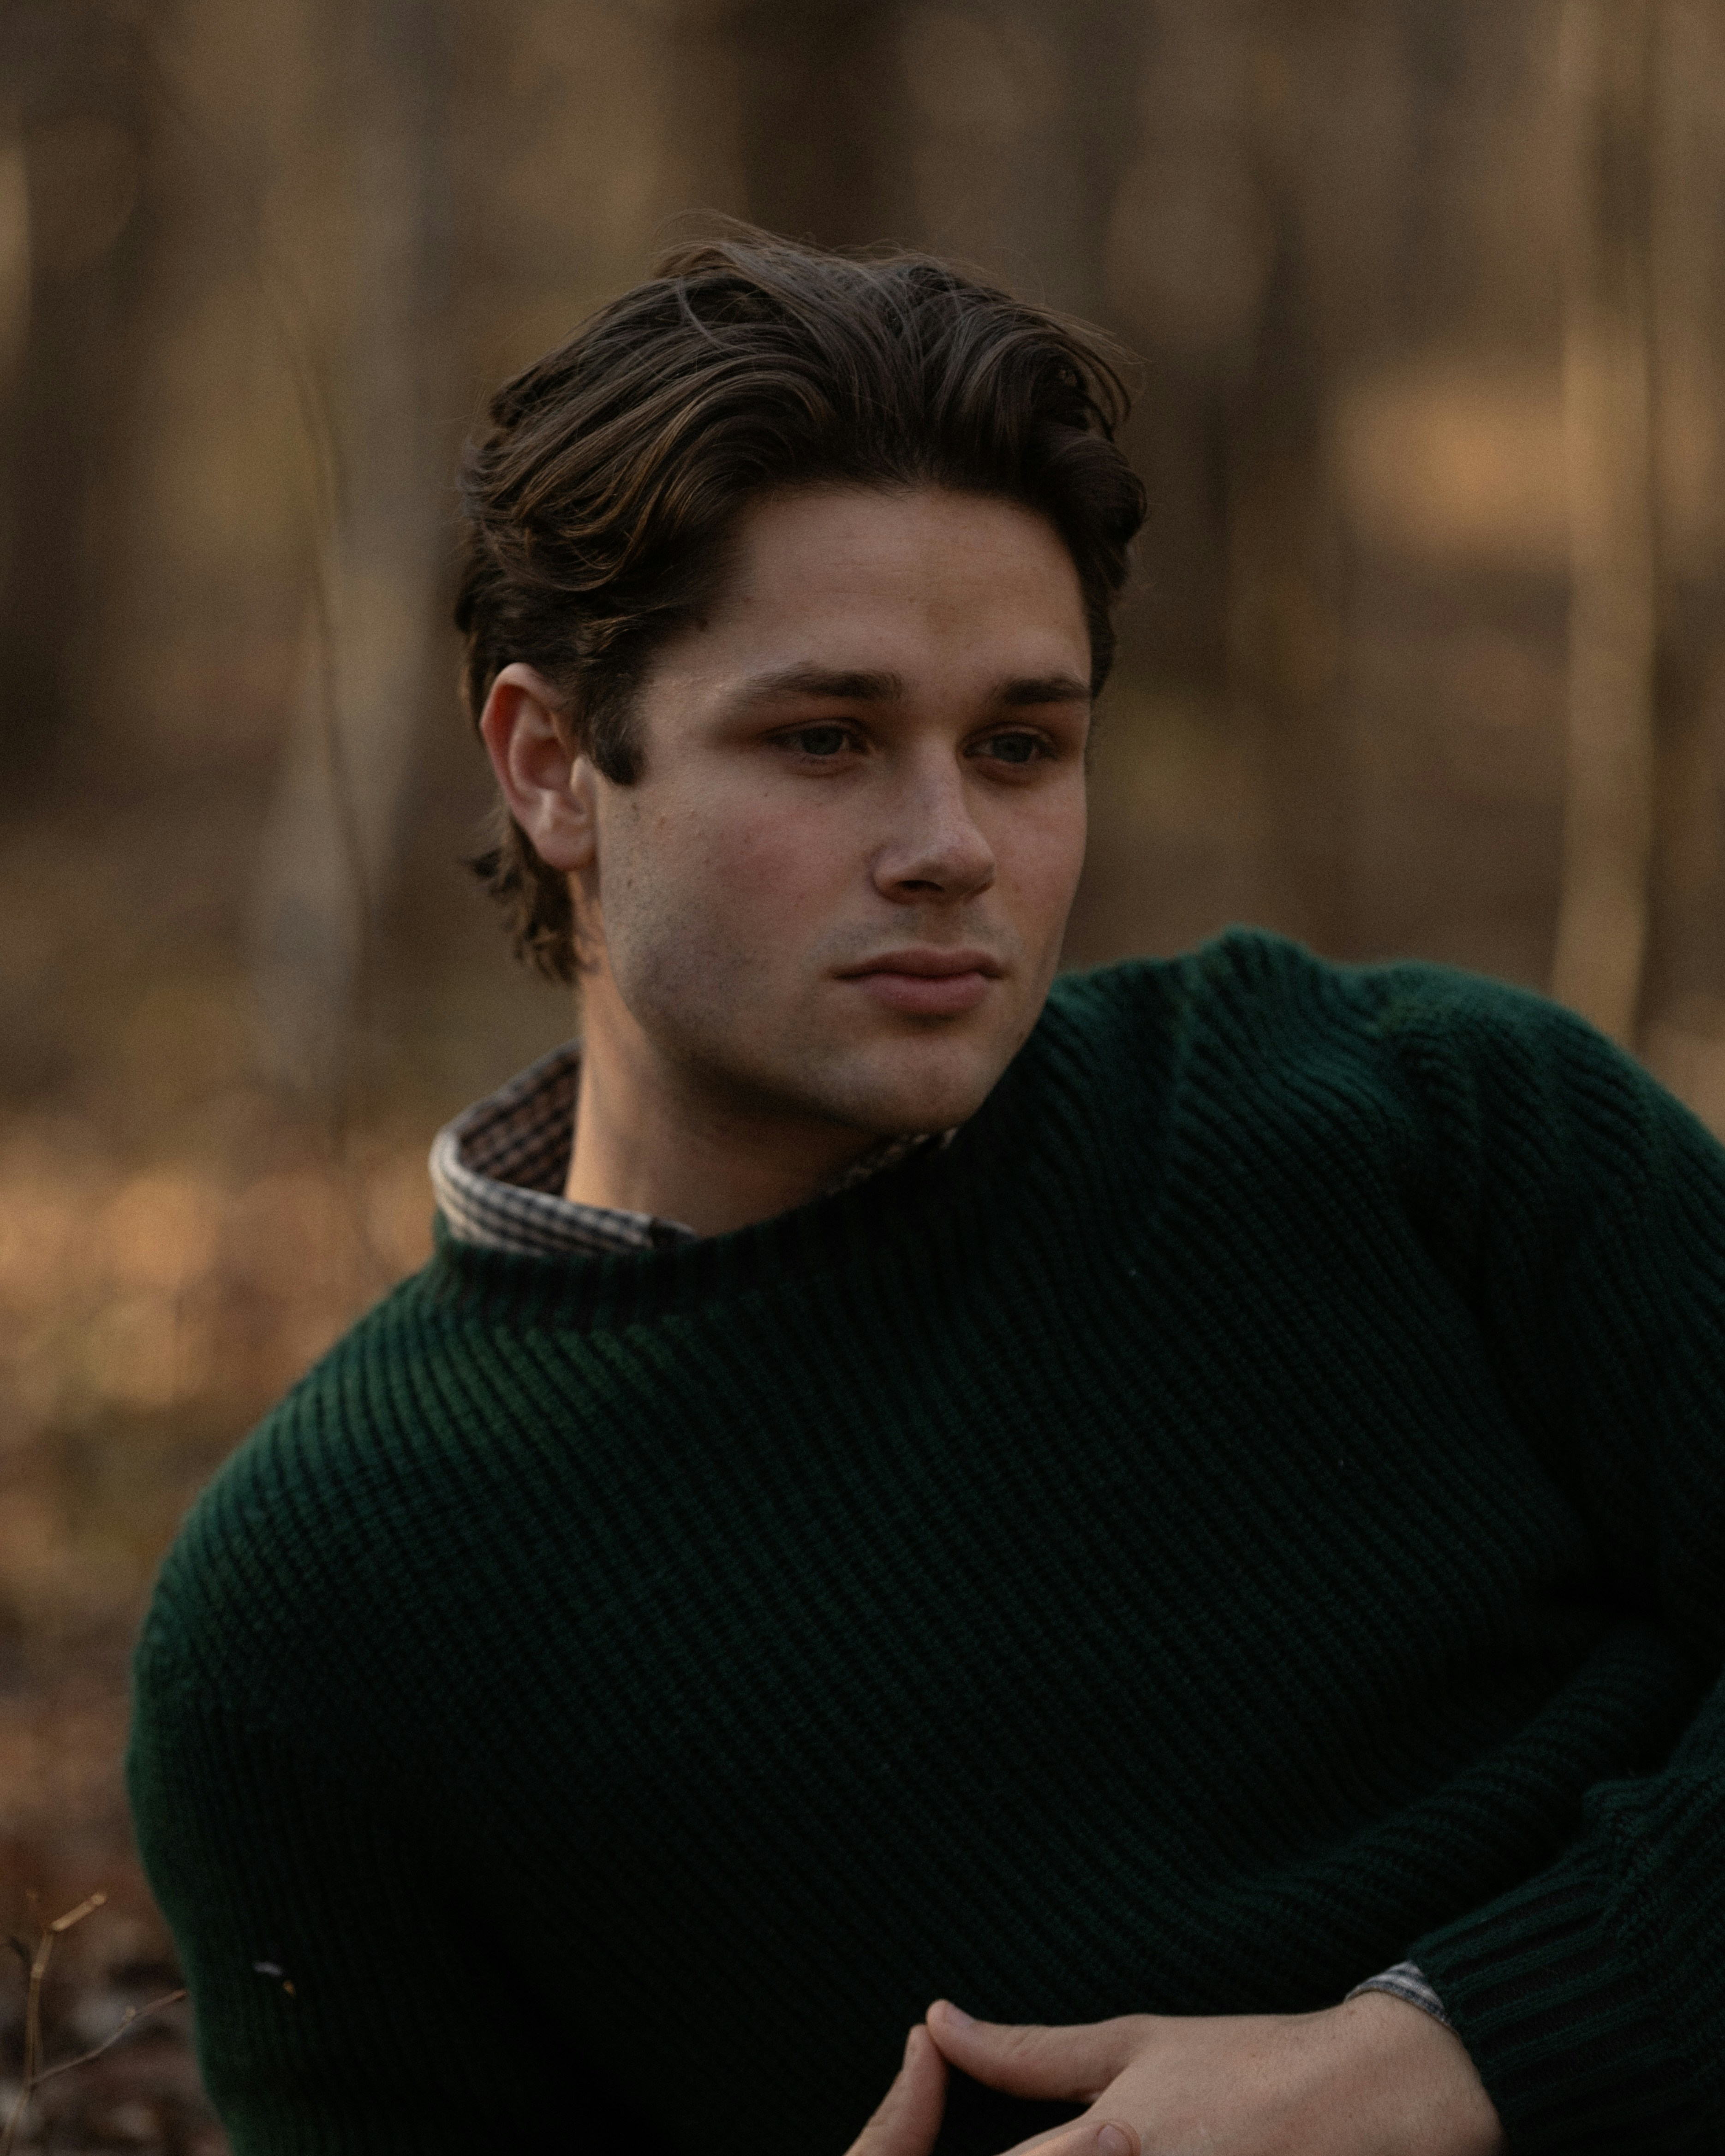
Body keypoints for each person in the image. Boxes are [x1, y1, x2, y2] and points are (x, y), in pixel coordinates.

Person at [127, 228, 1725, 2156]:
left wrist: (1438, 2050)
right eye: (825, 739)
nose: (952, 846)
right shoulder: (321, 1612)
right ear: (553, 766)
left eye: (1021, 745)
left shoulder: (1420, 1121)